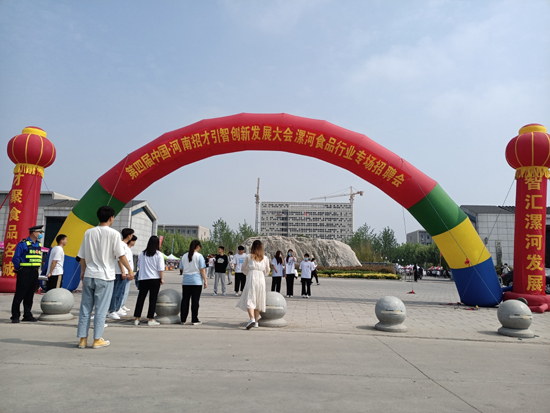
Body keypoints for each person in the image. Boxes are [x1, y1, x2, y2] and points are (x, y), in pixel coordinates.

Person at [77, 206, 133, 349]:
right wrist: (130, 270)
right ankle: (97, 339)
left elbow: (82, 256)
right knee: (101, 309)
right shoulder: (114, 234)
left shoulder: (88, 232)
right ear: (111, 218)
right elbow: (121, 255)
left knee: (85, 308)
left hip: (89, 274)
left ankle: (82, 339)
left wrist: (83, 271)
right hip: (105, 276)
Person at [11, 225, 45, 323]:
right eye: (39, 232)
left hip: (34, 272)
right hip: (25, 271)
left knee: (30, 294)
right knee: (20, 294)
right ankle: (15, 316)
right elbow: (16, 258)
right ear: (34, 233)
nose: (40, 234)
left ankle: (27, 314)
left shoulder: (38, 244)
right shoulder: (23, 243)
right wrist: (19, 269)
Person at [237, 240, 270, 329]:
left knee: (250, 298)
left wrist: (249, 271)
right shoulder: (265, 258)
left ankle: (251, 318)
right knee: (259, 299)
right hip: (261, 278)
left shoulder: (248, 256)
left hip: (252, 277)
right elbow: (267, 270)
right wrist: (262, 273)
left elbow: (243, 268)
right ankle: (256, 321)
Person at [133, 236, 164, 326]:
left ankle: (137, 318)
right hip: (154, 279)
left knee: (141, 298)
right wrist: (162, 278)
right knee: (153, 299)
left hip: (143, 278)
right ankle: (150, 319)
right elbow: (160, 268)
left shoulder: (142, 254)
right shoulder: (158, 254)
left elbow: (139, 265)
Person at [108, 228, 134, 320]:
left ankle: (117, 308)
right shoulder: (121, 245)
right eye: (131, 235)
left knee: (121, 292)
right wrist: (123, 271)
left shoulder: (125, 246)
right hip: (119, 272)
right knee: (116, 291)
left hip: (124, 272)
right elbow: (120, 259)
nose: (132, 236)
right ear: (128, 235)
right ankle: (112, 310)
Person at [180, 240, 207, 325]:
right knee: (195, 301)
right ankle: (194, 319)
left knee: (185, 300)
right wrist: (205, 280)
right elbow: (202, 269)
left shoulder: (184, 256)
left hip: (186, 281)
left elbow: (181, 268)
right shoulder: (199, 256)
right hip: (196, 281)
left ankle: (183, 319)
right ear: (198, 246)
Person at [119, 235, 137, 312]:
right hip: (126, 272)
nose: (135, 242)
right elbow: (121, 260)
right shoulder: (124, 248)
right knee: (122, 290)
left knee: (126, 290)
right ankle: (119, 306)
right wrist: (125, 271)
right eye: (134, 241)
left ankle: (122, 304)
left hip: (129, 272)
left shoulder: (129, 249)